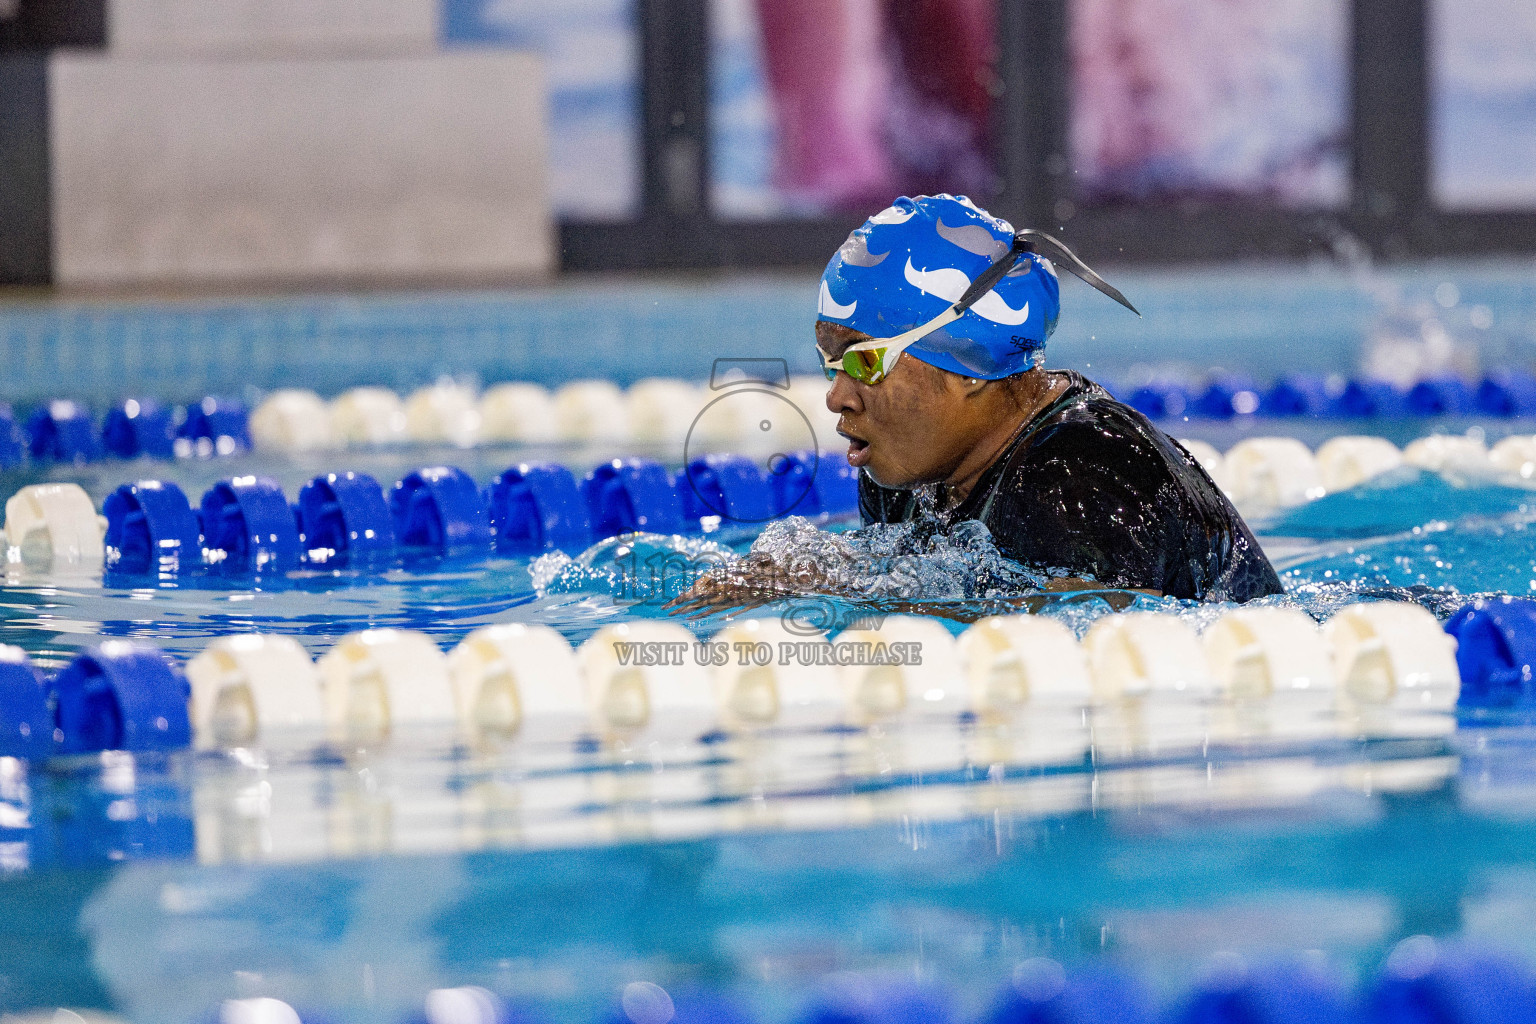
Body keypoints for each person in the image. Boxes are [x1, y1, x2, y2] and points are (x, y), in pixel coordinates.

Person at [668, 194, 1282, 618]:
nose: (836, 396)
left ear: (966, 361)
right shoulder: (904, 476)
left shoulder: (1088, 473)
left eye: (864, 360)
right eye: (831, 364)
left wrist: (835, 589)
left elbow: (1080, 641)